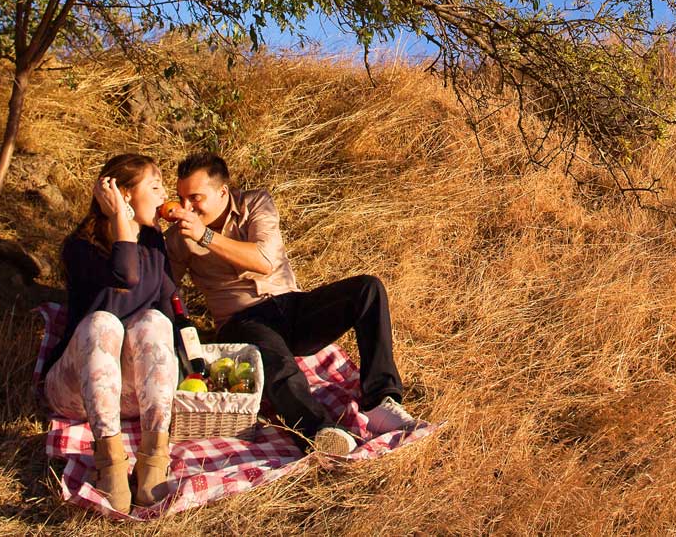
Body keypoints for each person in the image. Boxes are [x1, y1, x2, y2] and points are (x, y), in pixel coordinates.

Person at [164, 151, 417, 456]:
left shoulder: (255, 203)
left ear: (222, 192)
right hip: (242, 320)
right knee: (279, 366)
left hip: (291, 305)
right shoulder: (179, 238)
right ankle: (321, 431)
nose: (186, 207)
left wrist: (205, 237)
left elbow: (264, 261)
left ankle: (380, 401)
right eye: (181, 198)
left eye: (195, 197)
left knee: (368, 289)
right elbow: (164, 287)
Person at [46, 152, 180, 512]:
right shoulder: (80, 247)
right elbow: (126, 276)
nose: (164, 194)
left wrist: (194, 363)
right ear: (122, 193)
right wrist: (121, 217)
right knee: (103, 322)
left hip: (130, 394)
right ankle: (111, 465)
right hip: (76, 393)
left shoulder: (154, 242)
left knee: (154, 321)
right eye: (155, 186)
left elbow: (171, 303)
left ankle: (154, 458)